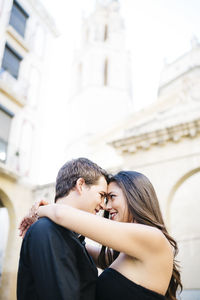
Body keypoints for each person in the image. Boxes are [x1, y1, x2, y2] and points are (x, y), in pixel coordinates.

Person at [20, 171, 182, 300]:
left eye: (111, 197)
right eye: (104, 198)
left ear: (134, 196)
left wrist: (37, 212)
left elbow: (61, 214)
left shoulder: (152, 237)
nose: (106, 206)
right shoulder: (125, 255)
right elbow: (77, 245)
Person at [17, 157, 108, 300]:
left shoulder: (72, 236)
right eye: (101, 195)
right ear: (81, 184)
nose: (104, 205)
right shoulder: (46, 230)